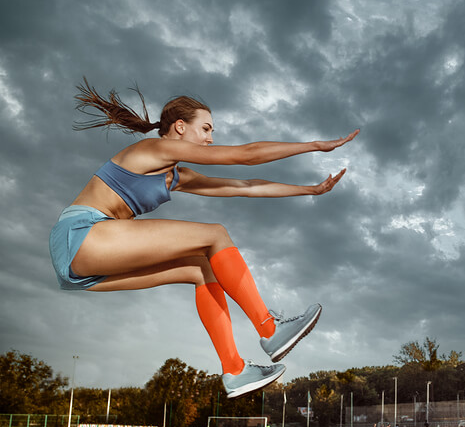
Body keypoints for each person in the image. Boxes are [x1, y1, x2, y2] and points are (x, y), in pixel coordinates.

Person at [50, 80, 358, 399]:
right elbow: (245, 156)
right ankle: (270, 328)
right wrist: (313, 145)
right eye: (206, 129)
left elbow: (246, 186)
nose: (210, 139)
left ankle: (235, 370)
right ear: (180, 127)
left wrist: (310, 189)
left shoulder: (176, 176)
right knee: (215, 235)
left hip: (85, 265)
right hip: (82, 234)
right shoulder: (154, 149)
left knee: (202, 267)